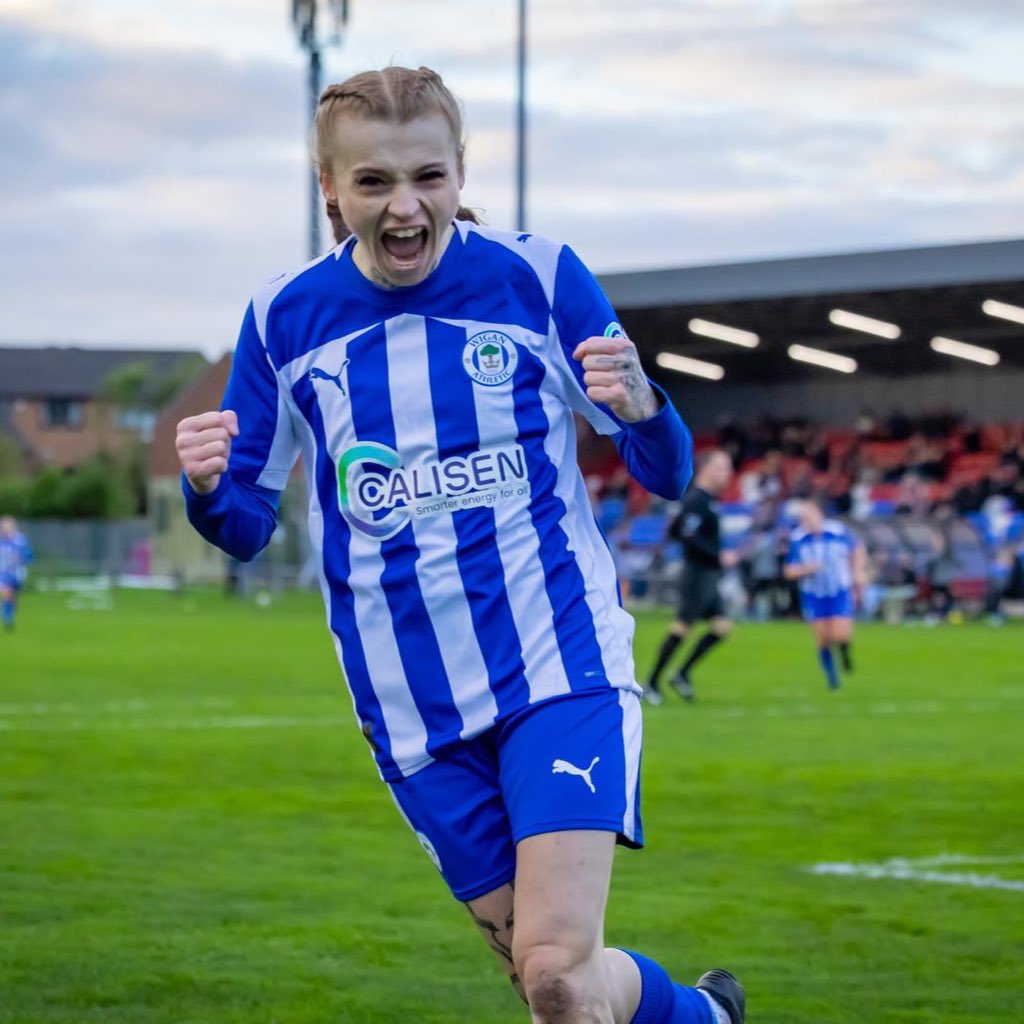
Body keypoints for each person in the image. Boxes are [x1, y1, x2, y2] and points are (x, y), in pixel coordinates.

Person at [175, 67, 744, 1024]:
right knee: (553, 980)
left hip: (557, 665)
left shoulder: (538, 276)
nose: (405, 206)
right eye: (373, 183)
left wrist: (647, 405)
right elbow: (242, 525)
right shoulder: (284, 319)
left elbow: (669, 469)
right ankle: (703, 1017)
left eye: (428, 177)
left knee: (558, 974)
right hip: (412, 710)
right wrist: (203, 488)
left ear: (460, 172)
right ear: (331, 192)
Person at [646, 451, 737, 704]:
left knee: (722, 628)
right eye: (721, 467)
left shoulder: (708, 500)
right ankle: (652, 682)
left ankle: (682, 674)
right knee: (682, 627)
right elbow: (684, 534)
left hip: (708, 574)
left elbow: (677, 529)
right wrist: (718, 556)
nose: (726, 474)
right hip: (697, 574)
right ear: (706, 469)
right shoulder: (697, 500)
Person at [783, 499, 866, 690]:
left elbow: (857, 549)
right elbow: (789, 570)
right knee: (823, 638)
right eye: (803, 518)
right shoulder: (798, 539)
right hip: (814, 593)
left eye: (809, 516)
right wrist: (807, 569)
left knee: (840, 633)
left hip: (839, 589)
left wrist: (858, 573)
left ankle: (845, 653)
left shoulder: (837, 531)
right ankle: (832, 679)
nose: (807, 521)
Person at [0, 515, 32, 632]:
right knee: (6, 593)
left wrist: (22, 559)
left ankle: (11, 608)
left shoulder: (20, 540)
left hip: (17, 573)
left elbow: (29, 556)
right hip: (2, 573)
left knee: (12, 597)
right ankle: (8, 619)